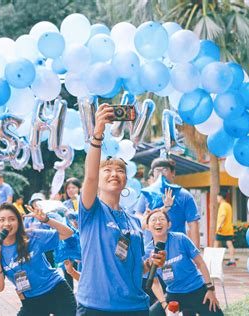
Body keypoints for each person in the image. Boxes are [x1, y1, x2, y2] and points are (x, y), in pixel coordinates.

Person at [77, 103, 165, 315]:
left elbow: (133, 268)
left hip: (134, 306)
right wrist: (97, 134)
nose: (114, 173)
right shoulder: (92, 211)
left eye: (120, 170)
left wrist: (150, 263)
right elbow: (89, 176)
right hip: (96, 307)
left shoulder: (133, 221)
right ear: (98, 180)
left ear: (126, 181)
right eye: (107, 170)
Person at [0, 203, 76, 316]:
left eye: (12, 219)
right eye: (2, 220)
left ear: (19, 222)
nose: (7, 223)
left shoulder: (32, 236)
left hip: (56, 291)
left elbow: (68, 233)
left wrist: (46, 220)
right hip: (32, 301)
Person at [145, 210, 223, 316]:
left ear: (169, 224)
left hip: (197, 289)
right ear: (148, 227)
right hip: (173, 294)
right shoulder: (148, 252)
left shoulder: (180, 239)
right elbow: (154, 282)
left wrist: (210, 289)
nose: (158, 222)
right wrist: (165, 305)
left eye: (162, 219)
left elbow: (200, 263)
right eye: (153, 220)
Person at [137, 158, 201, 248]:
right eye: (157, 170)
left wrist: (195, 251)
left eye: (165, 170)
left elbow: (193, 224)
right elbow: (138, 215)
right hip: (151, 248)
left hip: (178, 248)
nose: (161, 174)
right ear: (153, 174)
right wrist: (144, 217)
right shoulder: (146, 194)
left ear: (173, 173)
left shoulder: (184, 195)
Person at [214, 189, 236, 266]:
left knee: (216, 243)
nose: (217, 198)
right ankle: (232, 260)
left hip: (222, 229)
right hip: (229, 229)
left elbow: (223, 216)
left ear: (221, 197)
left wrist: (220, 225)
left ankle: (214, 260)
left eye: (217, 197)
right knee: (229, 244)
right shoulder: (228, 205)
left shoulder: (223, 205)